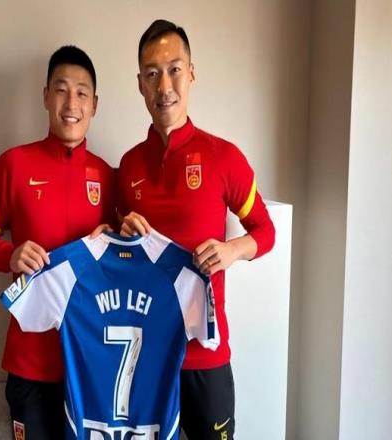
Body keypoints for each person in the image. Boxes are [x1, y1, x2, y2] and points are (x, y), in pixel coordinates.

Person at [117, 19, 276, 440]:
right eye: (152, 74)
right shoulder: (129, 167)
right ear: (140, 84)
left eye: (174, 69)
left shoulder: (224, 157)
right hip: (146, 355)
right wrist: (121, 233)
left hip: (206, 355)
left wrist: (231, 250)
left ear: (191, 73)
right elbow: (115, 253)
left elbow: (265, 230)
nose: (164, 86)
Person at [0, 45, 114, 440]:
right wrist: (10, 254)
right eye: (61, 90)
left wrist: (118, 237)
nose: (71, 104)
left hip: (90, 357)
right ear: (46, 96)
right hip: (29, 360)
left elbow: (124, 257)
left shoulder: (107, 176)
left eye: (82, 93)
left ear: (95, 104)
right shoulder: (14, 164)